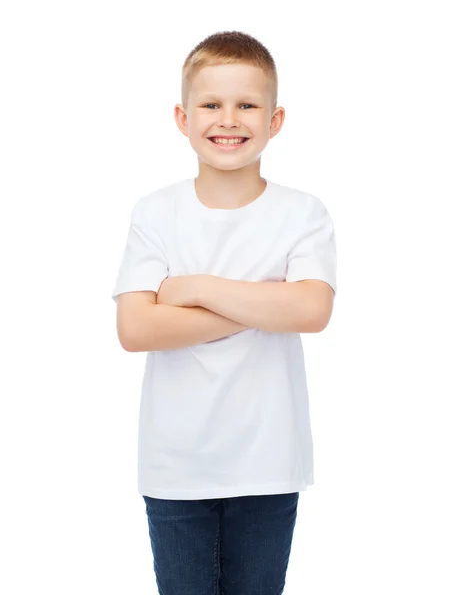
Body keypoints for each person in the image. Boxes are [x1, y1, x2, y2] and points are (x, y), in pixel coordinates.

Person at [111, 30, 337, 595]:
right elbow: (137, 328)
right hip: (175, 466)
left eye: (247, 105)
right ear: (182, 118)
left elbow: (311, 309)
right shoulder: (157, 212)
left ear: (275, 119)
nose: (228, 119)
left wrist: (194, 288)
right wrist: (265, 303)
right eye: (211, 104)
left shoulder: (302, 213)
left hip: (268, 462)